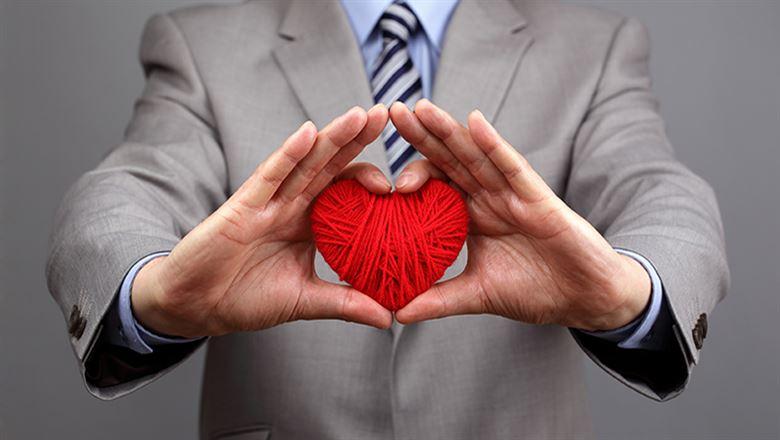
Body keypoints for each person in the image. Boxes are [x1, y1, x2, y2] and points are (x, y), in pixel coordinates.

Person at [46, 1, 728, 438]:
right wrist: (151, 294)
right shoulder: (200, 44)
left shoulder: (595, 45)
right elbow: (120, 193)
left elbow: (662, 192)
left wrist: (628, 293)